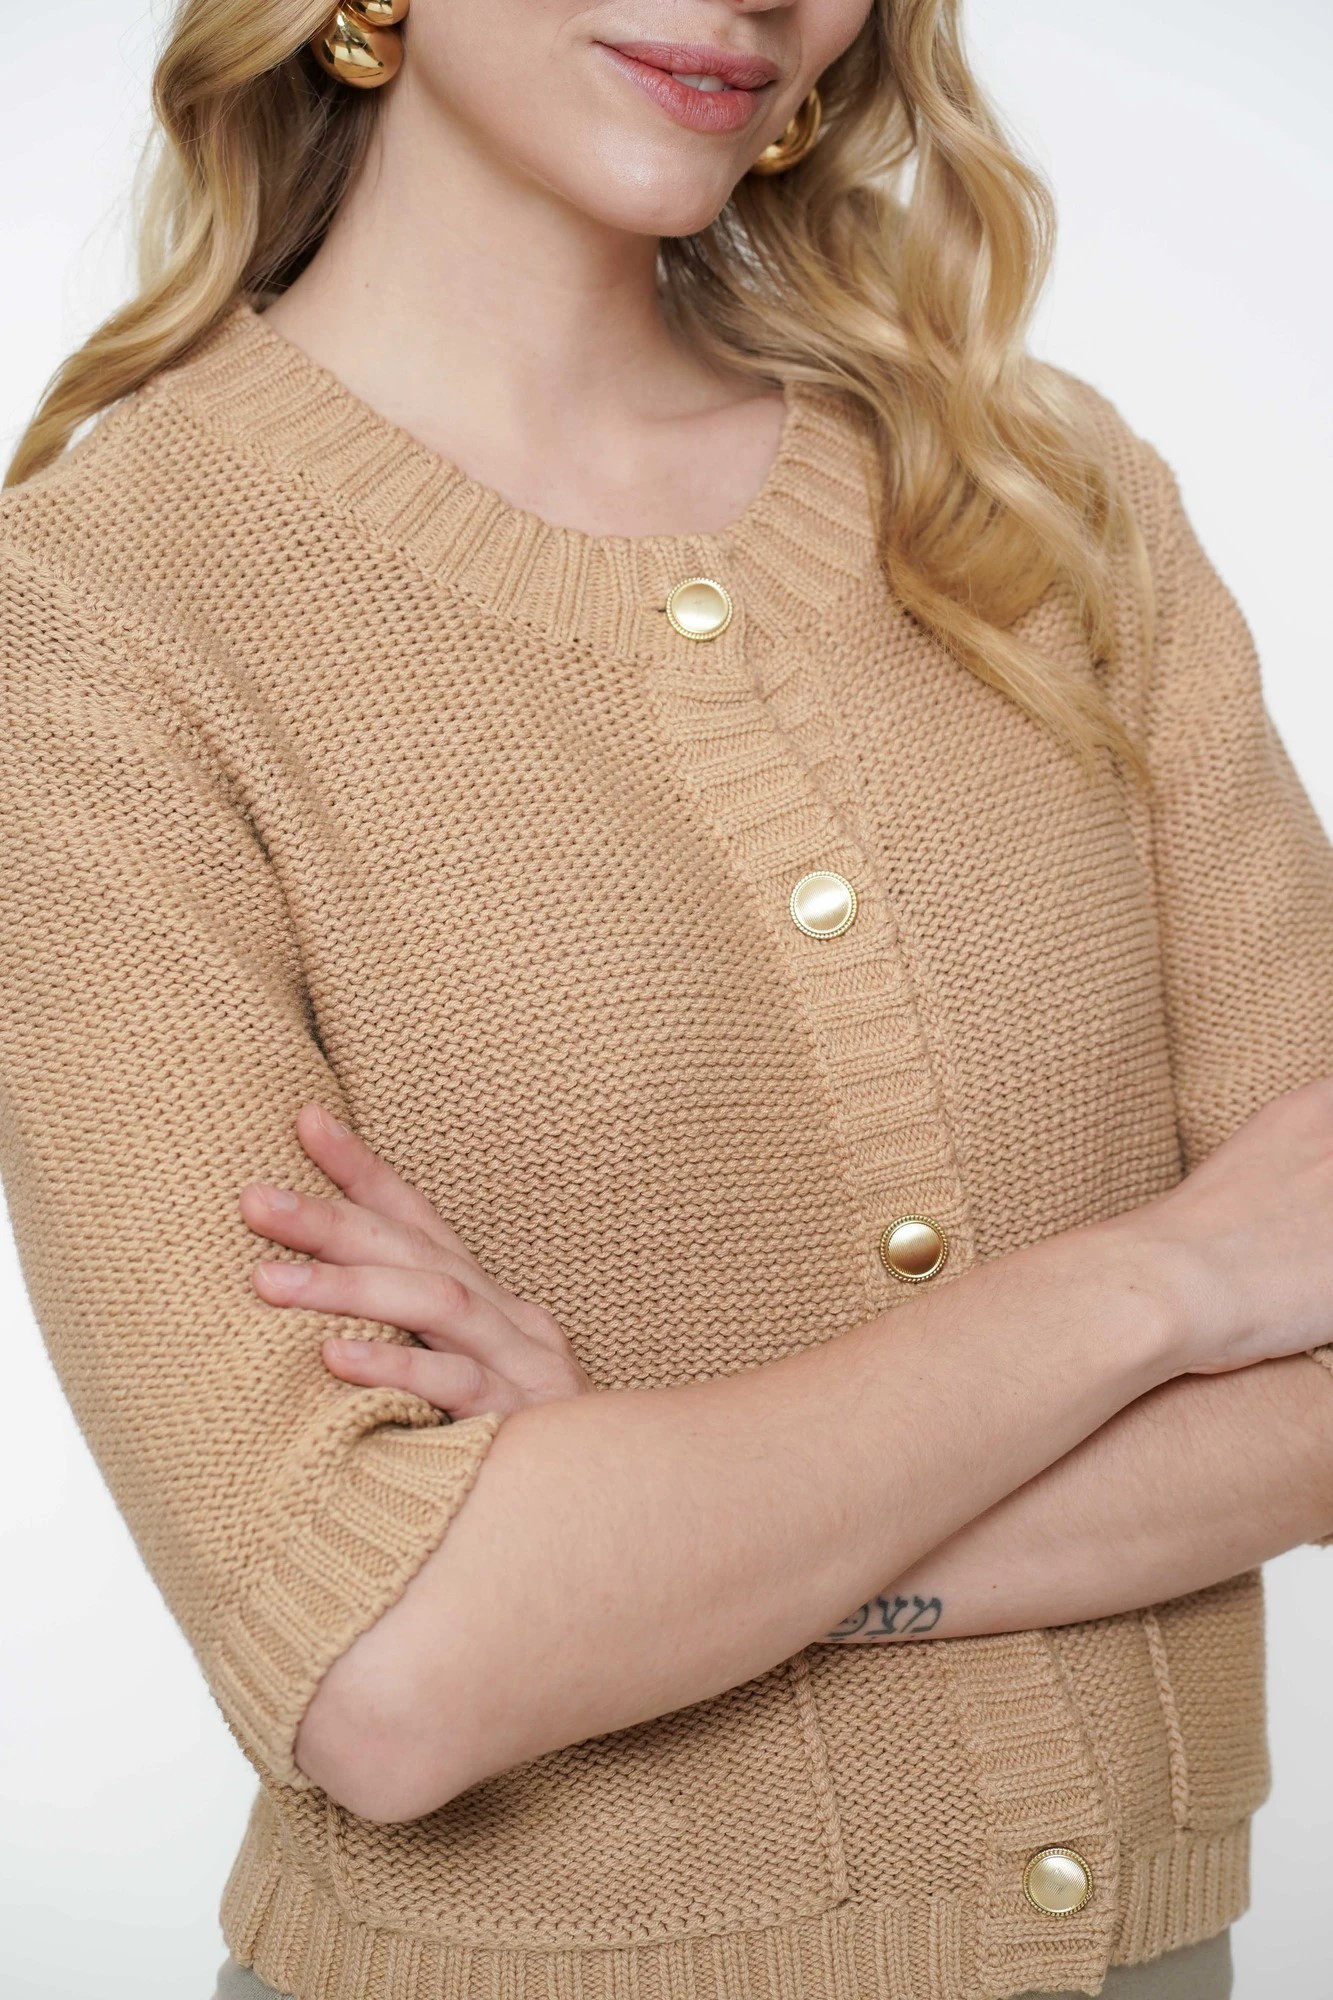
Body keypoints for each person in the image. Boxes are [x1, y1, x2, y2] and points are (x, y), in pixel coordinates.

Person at [2, 2, 1331, 1997]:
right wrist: (1164, 1284)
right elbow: (391, 1669)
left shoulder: (1036, 494)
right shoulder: (98, 613)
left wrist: (630, 1539)